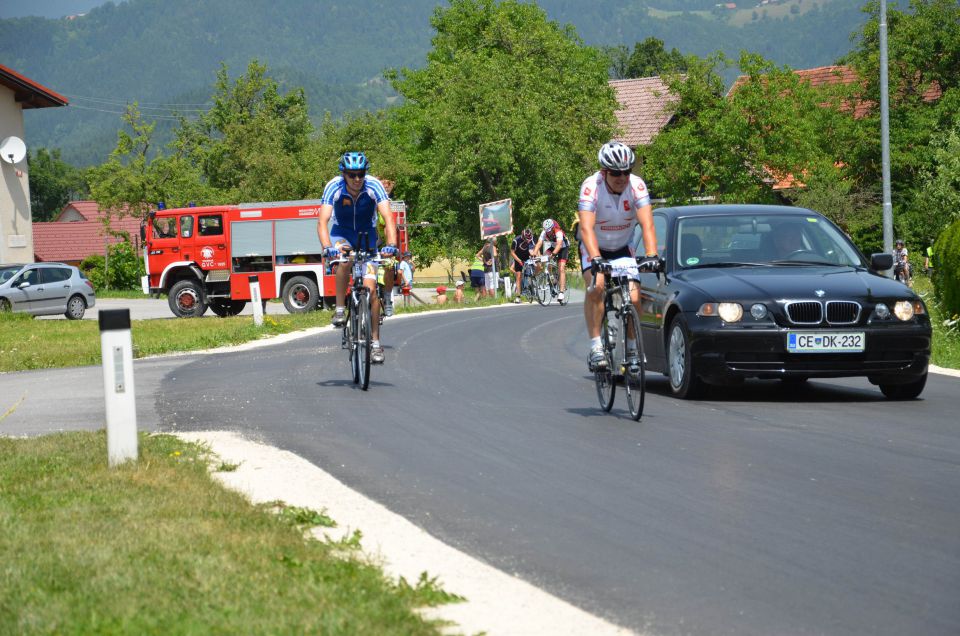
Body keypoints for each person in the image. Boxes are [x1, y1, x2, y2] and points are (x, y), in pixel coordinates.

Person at [578, 140, 660, 371]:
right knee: (597, 287)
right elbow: (585, 228)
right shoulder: (591, 186)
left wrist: (652, 254)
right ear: (604, 172)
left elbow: (647, 225)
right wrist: (596, 258)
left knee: (634, 297)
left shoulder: (637, 186)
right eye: (616, 173)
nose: (622, 177)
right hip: (594, 246)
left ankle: (632, 349)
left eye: (626, 171)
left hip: (623, 246)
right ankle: (596, 347)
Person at [317, 151, 398, 364]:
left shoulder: (373, 186)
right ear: (343, 174)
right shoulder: (333, 186)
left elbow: (389, 217)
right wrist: (327, 247)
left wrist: (391, 245)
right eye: (352, 175)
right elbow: (323, 221)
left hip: (366, 235)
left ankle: (375, 344)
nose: (357, 179)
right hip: (341, 233)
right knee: (344, 260)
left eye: (360, 174)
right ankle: (340, 309)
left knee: (371, 291)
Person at [534, 218, 569, 303]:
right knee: (544, 259)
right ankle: (552, 278)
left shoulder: (558, 231)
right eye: (547, 231)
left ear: (553, 227)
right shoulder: (544, 232)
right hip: (553, 246)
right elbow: (539, 243)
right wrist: (534, 253)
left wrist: (552, 255)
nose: (548, 232)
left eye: (549, 230)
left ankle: (561, 292)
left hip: (563, 247)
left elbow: (559, 244)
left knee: (561, 268)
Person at [510, 228, 536, 303]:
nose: (528, 240)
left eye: (529, 239)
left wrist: (533, 255)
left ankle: (532, 282)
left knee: (537, 267)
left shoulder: (531, 239)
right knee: (518, 276)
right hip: (518, 257)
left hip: (527, 256)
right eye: (526, 239)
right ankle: (518, 296)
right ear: (523, 235)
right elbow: (512, 252)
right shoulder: (516, 240)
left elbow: (532, 249)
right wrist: (519, 261)